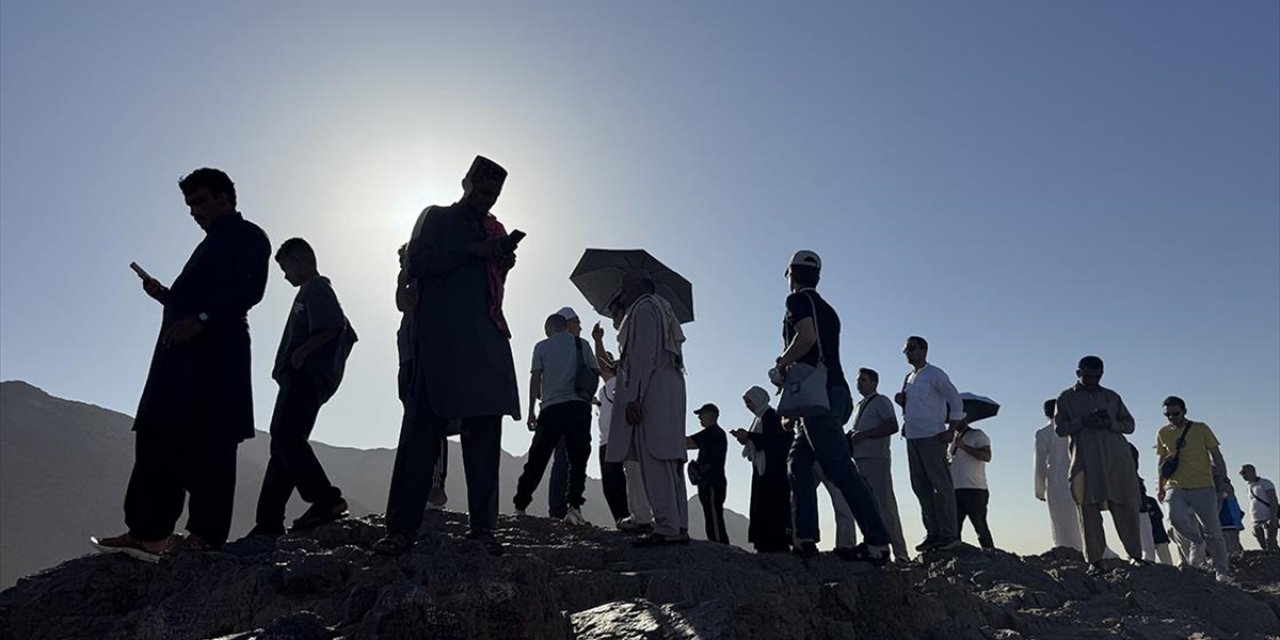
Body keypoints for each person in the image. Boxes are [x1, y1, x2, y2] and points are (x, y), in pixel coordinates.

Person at [93, 168, 271, 558]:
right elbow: (196, 302)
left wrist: (201, 320)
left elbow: (248, 291)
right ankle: (148, 531)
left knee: (211, 444)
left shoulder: (248, 236)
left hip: (217, 359)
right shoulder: (209, 245)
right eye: (190, 204)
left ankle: (205, 538)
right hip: (179, 364)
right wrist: (166, 297)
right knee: (158, 438)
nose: (195, 211)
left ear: (225, 197)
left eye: (201, 201)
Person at [376, 156, 521, 556]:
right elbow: (418, 262)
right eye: (482, 190)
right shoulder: (437, 217)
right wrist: (475, 249)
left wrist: (502, 259)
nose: (487, 198)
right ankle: (401, 529)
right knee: (423, 428)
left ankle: (484, 529)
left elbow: (493, 281)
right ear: (465, 183)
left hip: (486, 335)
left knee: (486, 429)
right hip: (440, 337)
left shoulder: (495, 229)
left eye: (494, 194)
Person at [776, 250, 889, 565]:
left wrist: (783, 362)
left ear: (792, 275)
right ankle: (804, 538)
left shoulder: (797, 301)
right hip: (836, 393)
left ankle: (878, 543)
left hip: (818, 398)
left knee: (840, 469)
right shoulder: (829, 309)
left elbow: (807, 338)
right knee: (798, 463)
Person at [251, 238, 357, 537]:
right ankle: (268, 521)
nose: (285, 275)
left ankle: (326, 499)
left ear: (299, 260)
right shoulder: (312, 290)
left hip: (305, 378)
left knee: (286, 438)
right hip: (304, 378)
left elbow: (335, 325)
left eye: (286, 267)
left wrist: (300, 355)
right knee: (283, 444)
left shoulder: (316, 288)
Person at [605, 271, 689, 547]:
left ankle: (666, 526)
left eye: (625, 287)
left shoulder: (643, 309)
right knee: (671, 458)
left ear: (639, 287)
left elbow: (643, 355)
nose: (622, 294)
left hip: (652, 389)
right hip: (670, 386)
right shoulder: (663, 310)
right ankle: (678, 524)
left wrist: (635, 397)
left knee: (654, 455)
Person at [1054, 355, 1144, 574]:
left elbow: (1129, 425)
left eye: (1097, 376)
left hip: (1116, 460)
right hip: (1085, 461)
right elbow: (1060, 429)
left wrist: (1109, 423)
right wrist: (1084, 421)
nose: (1093, 380)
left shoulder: (1111, 396)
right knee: (1087, 509)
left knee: (1125, 506)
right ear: (1079, 373)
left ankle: (1135, 556)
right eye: (1088, 376)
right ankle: (1095, 560)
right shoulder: (1066, 398)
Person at [513, 307, 598, 525]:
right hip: (578, 407)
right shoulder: (582, 344)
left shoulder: (541, 346)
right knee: (578, 459)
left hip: (551, 407)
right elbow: (593, 372)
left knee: (537, 458)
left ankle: (521, 505)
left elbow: (535, 379)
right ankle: (574, 507)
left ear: (550, 327)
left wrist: (531, 409)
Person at [896, 335, 966, 552]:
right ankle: (933, 531)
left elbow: (955, 400)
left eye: (912, 348)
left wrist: (951, 430)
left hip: (932, 436)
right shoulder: (909, 377)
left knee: (941, 484)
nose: (908, 352)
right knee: (920, 486)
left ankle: (949, 533)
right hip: (913, 437)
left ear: (924, 350)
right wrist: (902, 402)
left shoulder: (935, 374)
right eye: (906, 349)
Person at [395, 244, 449, 511]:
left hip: (425, 358)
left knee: (431, 422)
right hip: (408, 359)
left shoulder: (425, 283)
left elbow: (405, 305)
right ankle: (417, 486)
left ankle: (435, 487)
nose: (401, 263)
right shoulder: (410, 283)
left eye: (403, 258)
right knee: (414, 420)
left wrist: (401, 281)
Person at [1155, 395, 1231, 581]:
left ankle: (1222, 571)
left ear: (1184, 411)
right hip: (1176, 485)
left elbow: (1217, 456)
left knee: (1212, 530)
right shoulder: (1163, 433)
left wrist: (1225, 479)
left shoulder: (1200, 428)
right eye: (1168, 415)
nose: (1172, 418)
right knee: (1174, 519)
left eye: (1175, 413)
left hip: (1203, 486)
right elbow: (1162, 461)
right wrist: (1160, 485)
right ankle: (1197, 540)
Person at [592, 306, 652, 532]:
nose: (604, 365)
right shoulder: (609, 387)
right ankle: (629, 517)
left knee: (614, 481)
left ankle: (627, 517)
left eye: (608, 361)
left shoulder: (615, 382)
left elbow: (600, 362)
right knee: (618, 481)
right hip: (607, 438)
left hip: (613, 439)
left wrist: (597, 340)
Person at [847, 368, 909, 561]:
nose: (859, 383)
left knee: (885, 505)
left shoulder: (881, 401)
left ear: (874, 382)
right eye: (858, 380)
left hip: (876, 458)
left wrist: (866, 434)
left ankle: (901, 553)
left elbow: (892, 426)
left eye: (863, 380)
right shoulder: (859, 405)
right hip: (860, 459)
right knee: (869, 506)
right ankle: (877, 548)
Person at [731, 386, 793, 553]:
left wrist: (749, 436)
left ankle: (776, 542)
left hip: (774, 470)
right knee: (761, 504)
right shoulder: (759, 418)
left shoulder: (771, 416)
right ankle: (764, 541)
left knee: (773, 504)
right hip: (762, 469)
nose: (748, 406)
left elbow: (776, 440)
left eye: (749, 402)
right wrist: (746, 439)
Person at [1034, 399, 1084, 552]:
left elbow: (1040, 463)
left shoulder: (1043, 433)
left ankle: (1068, 549)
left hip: (1056, 480)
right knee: (1080, 517)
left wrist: (1040, 489)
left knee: (1060, 520)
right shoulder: (1073, 429)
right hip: (1078, 477)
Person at [688, 403, 729, 544]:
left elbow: (688, 442)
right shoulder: (713, 434)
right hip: (709, 481)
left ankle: (720, 546)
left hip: (712, 481)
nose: (699, 417)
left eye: (702, 414)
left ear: (712, 415)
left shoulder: (713, 432)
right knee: (711, 515)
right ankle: (717, 543)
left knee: (713, 516)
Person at [950, 418, 994, 549]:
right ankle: (956, 556)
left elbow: (987, 456)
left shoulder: (977, 434)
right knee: (954, 527)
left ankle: (991, 554)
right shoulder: (954, 440)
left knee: (980, 526)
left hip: (975, 489)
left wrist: (964, 447)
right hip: (956, 488)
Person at [1240, 464, 1278, 550]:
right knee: (1263, 545)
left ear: (1252, 472)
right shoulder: (1249, 487)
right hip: (1256, 521)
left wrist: (1273, 518)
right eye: (1241, 473)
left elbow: (1273, 501)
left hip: (1267, 518)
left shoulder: (1265, 483)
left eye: (1244, 472)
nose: (1243, 475)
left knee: (1271, 542)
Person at [1218, 479, 1245, 554]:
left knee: (1231, 545)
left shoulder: (1223, 487)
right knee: (1233, 543)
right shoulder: (1224, 486)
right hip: (1229, 520)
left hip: (1226, 520)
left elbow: (1220, 501)